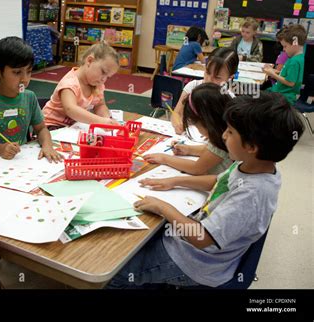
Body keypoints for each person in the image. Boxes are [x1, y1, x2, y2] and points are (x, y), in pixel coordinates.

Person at [107, 92, 304, 288]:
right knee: (132, 242)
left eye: (230, 132)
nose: (223, 135)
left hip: (194, 262)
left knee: (116, 273)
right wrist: (175, 181)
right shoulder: (252, 165)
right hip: (193, 241)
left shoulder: (251, 194)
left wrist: (163, 208)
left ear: (252, 146)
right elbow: (218, 182)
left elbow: (202, 238)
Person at [0, 36, 61, 164]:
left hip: (16, 162)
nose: (24, 79)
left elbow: (42, 129)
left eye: (29, 72)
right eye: (17, 72)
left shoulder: (29, 97)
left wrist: (47, 145)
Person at [146, 83, 233, 175]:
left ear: (207, 122)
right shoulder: (225, 133)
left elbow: (196, 168)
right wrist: (189, 149)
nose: (196, 128)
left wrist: (165, 159)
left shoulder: (222, 140)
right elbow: (211, 151)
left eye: (195, 124)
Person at [42, 42, 120, 130]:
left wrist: (107, 119)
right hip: (50, 126)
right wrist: (100, 121)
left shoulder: (97, 84)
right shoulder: (70, 83)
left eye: (108, 77)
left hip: (73, 126)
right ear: (89, 61)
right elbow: (70, 109)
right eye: (103, 72)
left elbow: (100, 105)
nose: (103, 79)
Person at [171, 47, 239, 134]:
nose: (209, 80)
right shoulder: (193, 86)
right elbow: (176, 113)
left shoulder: (228, 98)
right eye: (207, 72)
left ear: (230, 77)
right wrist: (178, 124)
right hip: (187, 137)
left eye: (217, 77)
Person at [265, 24, 307, 105]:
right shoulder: (297, 57)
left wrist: (273, 74)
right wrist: (273, 71)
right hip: (280, 93)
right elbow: (287, 74)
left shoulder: (294, 61)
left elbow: (290, 82)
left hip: (284, 97)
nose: (283, 49)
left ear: (295, 43)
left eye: (285, 46)